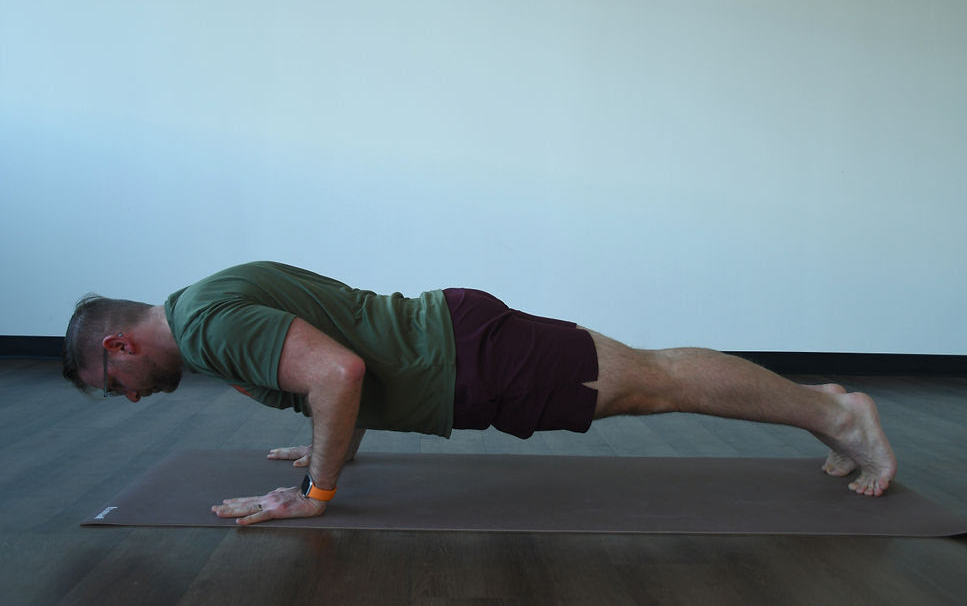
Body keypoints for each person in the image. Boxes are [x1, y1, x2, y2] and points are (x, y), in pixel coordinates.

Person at [62, 261, 897, 525]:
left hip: (470, 354)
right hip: (459, 354)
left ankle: (835, 409)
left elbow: (339, 374)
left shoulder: (206, 325)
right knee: (651, 383)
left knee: (656, 382)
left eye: (115, 384)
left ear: (119, 345)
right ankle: (824, 409)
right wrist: (325, 441)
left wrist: (315, 488)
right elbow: (335, 378)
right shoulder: (210, 314)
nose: (130, 396)